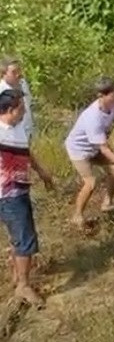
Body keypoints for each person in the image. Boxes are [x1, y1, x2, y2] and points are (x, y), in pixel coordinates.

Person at [0, 89, 54, 307]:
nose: (25, 111)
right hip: (8, 195)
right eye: (22, 107)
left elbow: (25, 151)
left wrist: (41, 171)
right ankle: (23, 285)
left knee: (18, 236)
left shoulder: (17, 128)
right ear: (11, 110)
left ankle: (17, 276)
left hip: (19, 190)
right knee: (25, 239)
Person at [65, 77, 114, 229]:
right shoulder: (93, 117)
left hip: (96, 147)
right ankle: (77, 215)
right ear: (102, 96)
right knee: (90, 182)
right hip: (80, 150)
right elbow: (104, 148)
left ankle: (107, 203)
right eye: (112, 94)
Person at [0, 57, 35, 142]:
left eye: (19, 71)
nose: (18, 74)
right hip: (8, 138)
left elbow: (28, 107)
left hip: (26, 134)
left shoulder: (23, 85)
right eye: (13, 72)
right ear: (4, 73)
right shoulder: (2, 91)